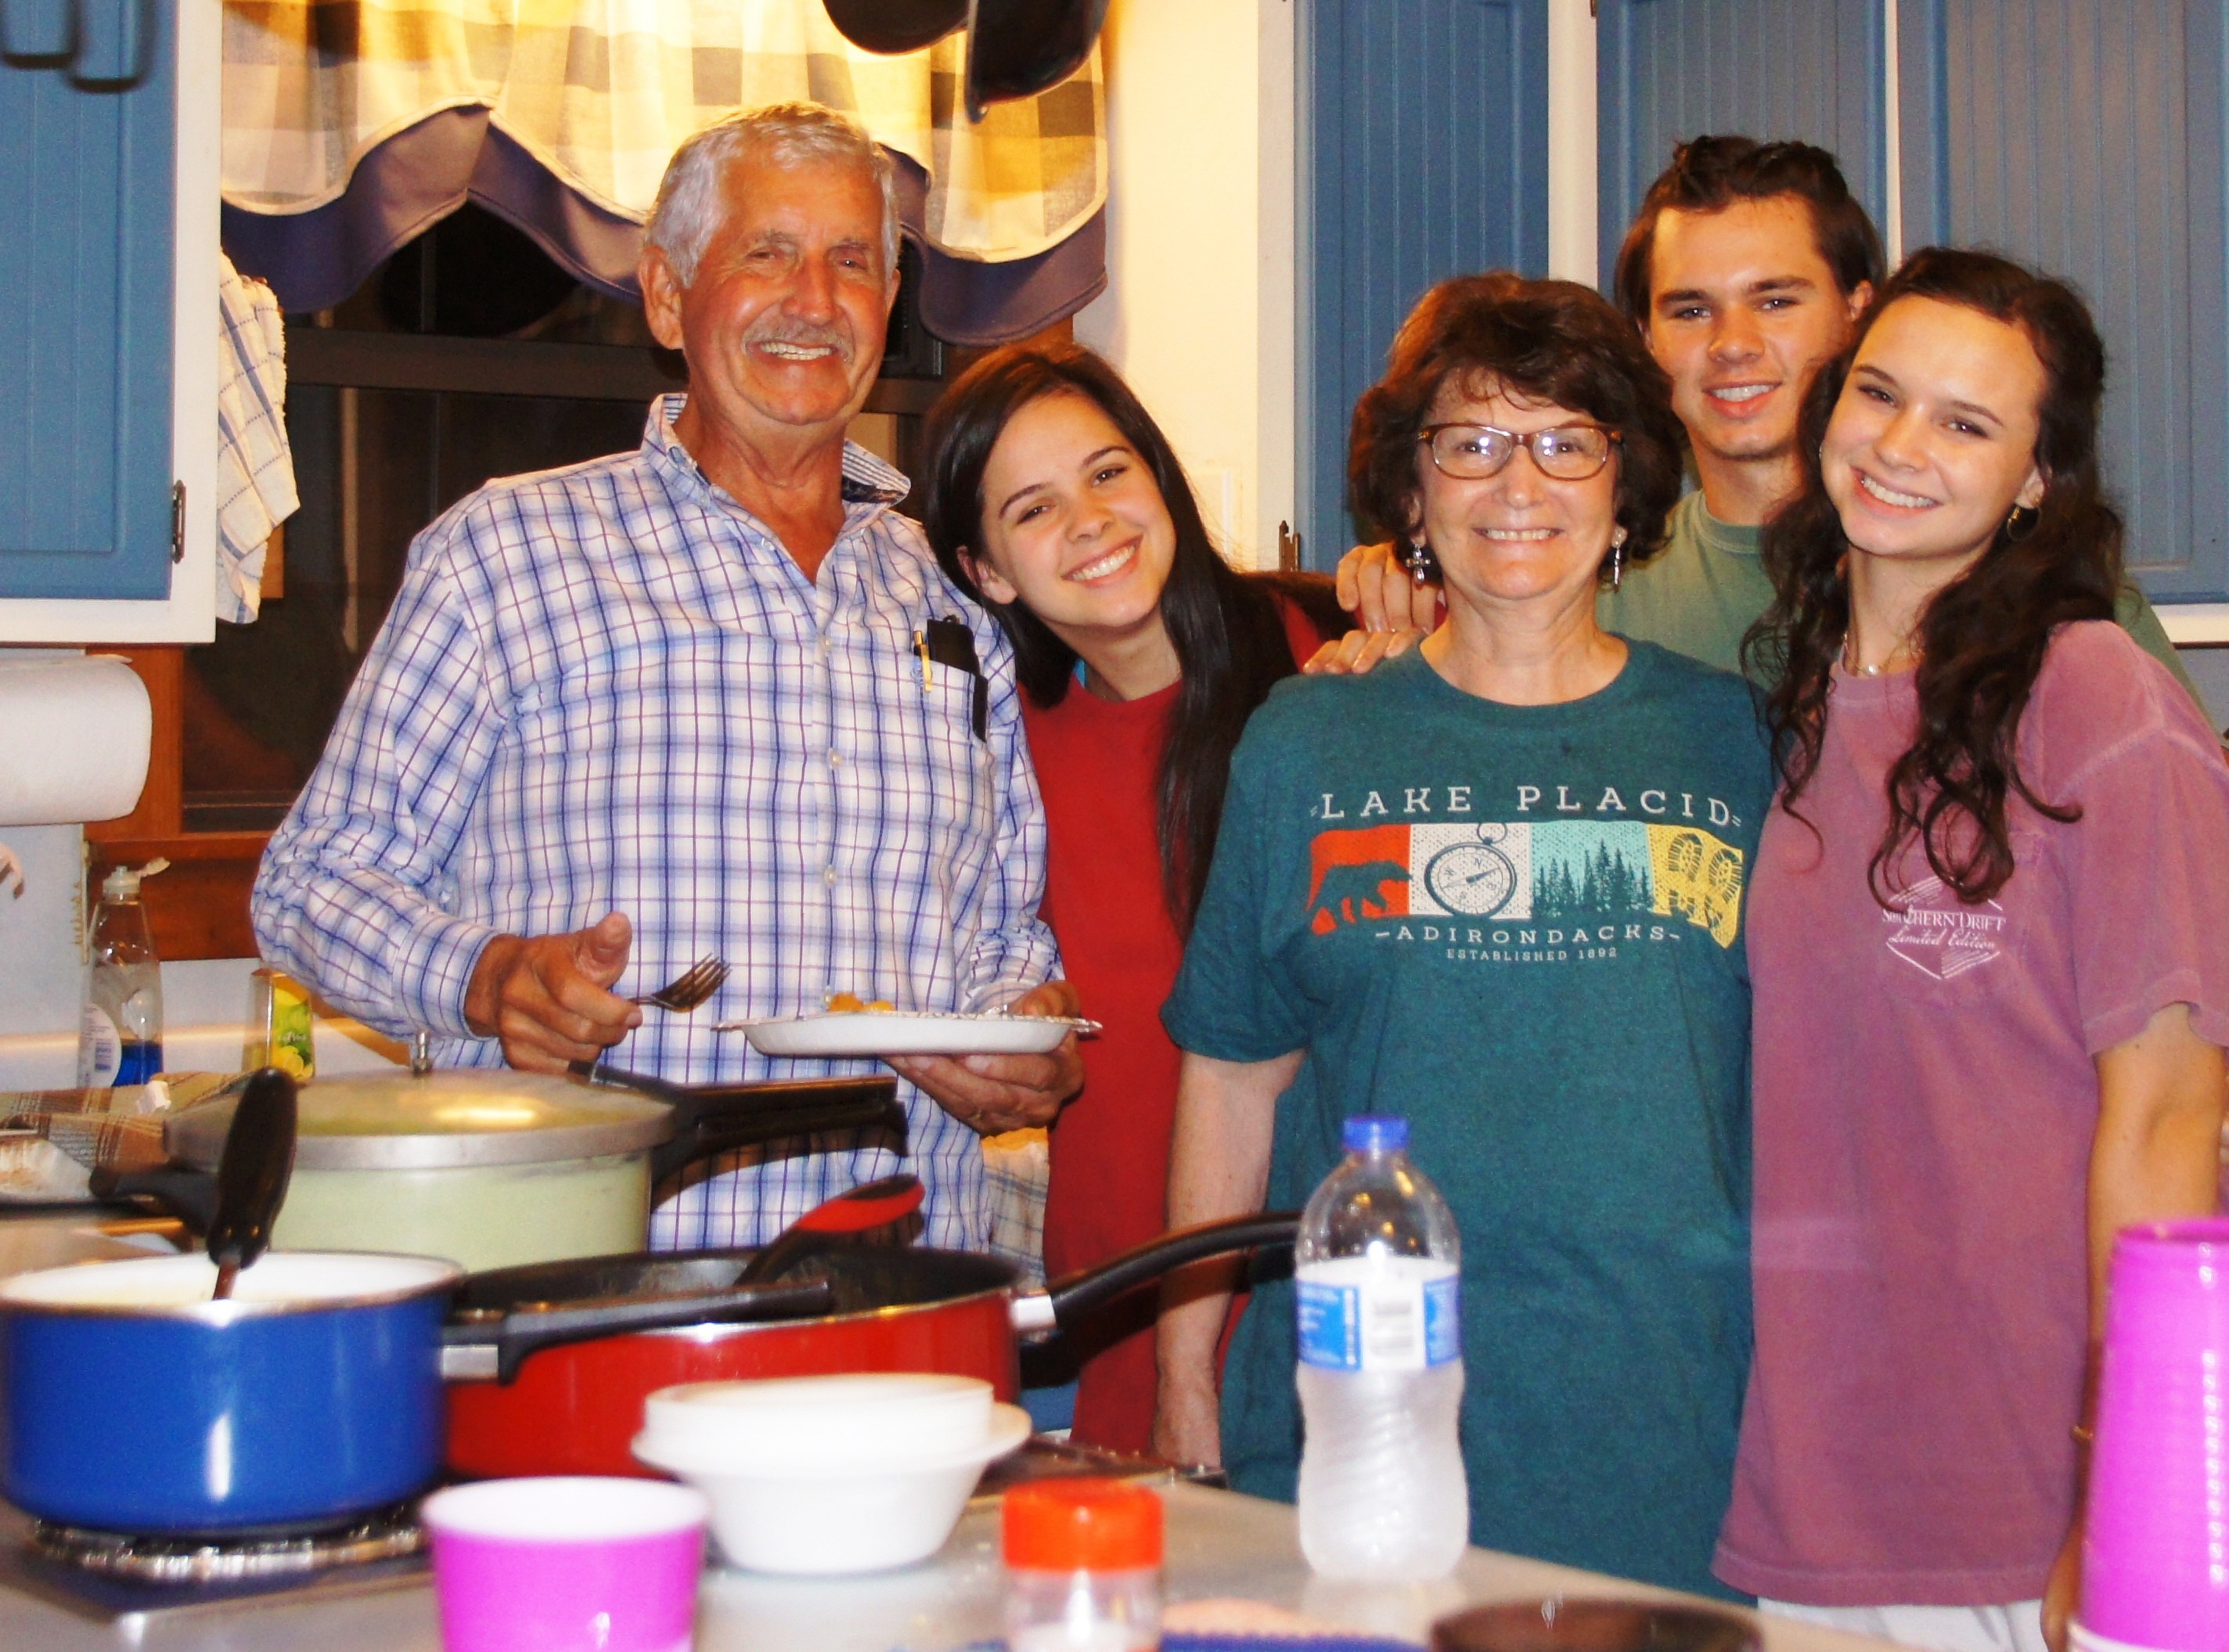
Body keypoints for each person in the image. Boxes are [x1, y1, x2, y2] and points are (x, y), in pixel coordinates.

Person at [252, 103, 1082, 1252]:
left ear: (889, 304)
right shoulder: (508, 555)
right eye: (766, 253)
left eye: (852, 261)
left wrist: (1017, 1033)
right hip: (596, 1269)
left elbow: (999, 931)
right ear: (663, 295)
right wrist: (490, 975)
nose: (815, 299)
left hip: (901, 1273)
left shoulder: (953, 597)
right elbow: (309, 882)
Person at [1154, 272, 1762, 1594]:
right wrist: (1182, 1373)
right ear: (1413, 493)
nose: (1517, 484)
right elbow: (1232, 1078)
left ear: (1625, 487)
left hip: (1667, 1418)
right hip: (1358, 1411)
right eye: (1471, 443)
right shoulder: (1308, 740)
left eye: (1566, 442)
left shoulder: (1735, 740)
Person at [1320, 136, 2229, 920]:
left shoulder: (2019, 580)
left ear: (1860, 315)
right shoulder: (1577, 576)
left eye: (1776, 300)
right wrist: (1407, 619)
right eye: (1689, 309)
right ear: (1646, 339)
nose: (1732, 344)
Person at [1718, 248, 2229, 1652]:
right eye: (1878, 394)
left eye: (1965, 422)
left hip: (2046, 1474)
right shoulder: (1801, 715)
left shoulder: (2099, 704)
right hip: (1827, 1475)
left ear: (2034, 481)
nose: (1900, 445)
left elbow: (2167, 1119)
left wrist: (2116, 1484)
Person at [913, 342, 1345, 1454]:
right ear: (988, 570)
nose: (1092, 520)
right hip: (1124, 1290)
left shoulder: (1328, 668)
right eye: (1034, 507)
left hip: (1326, 1281)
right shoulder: (1004, 750)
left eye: (1108, 472)